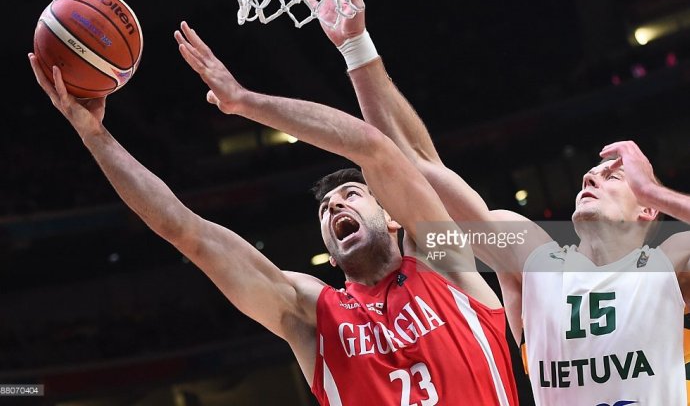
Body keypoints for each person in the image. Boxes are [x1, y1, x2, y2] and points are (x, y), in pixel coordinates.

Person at [28, 25, 520, 404]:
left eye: (351, 194)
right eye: (326, 209)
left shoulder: (445, 262)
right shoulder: (311, 312)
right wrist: (95, 137)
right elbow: (184, 231)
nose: (335, 207)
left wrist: (245, 103)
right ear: (327, 255)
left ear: (393, 217)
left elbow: (376, 149)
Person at [307, 0, 690, 404]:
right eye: (590, 173)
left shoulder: (669, 263)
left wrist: (654, 188)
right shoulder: (530, 257)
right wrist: (356, 47)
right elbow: (418, 166)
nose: (590, 179)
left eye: (613, 178)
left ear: (647, 210)